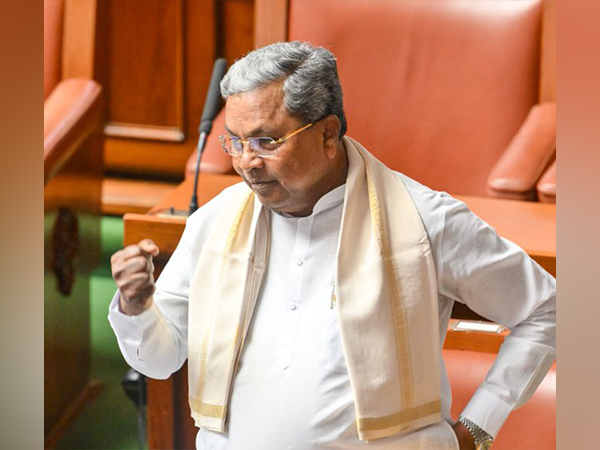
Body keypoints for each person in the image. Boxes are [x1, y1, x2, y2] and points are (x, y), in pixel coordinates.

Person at [109, 41, 556, 450]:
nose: (246, 162)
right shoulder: (215, 221)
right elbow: (158, 359)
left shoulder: (425, 220)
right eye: (236, 141)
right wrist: (136, 307)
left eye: (266, 141)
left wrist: (479, 426)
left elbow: (547, 309)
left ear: (327, 134)